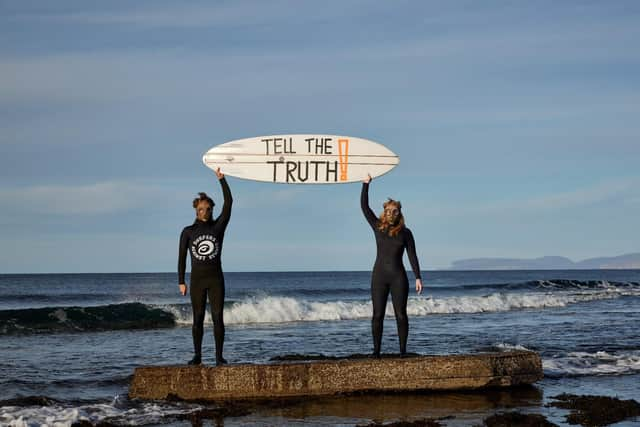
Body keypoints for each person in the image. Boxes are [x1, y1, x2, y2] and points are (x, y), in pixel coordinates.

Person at [361, 174, 423, 357]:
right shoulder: (377, 226)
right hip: (379, 277)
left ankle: (403, 352)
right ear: (384, 212)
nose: (391, 213)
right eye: (388, 210)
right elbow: (364, 207)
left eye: (395, 211)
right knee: (377, 315)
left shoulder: (406, 233)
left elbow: (412, 255)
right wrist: (366, 184)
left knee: (401, 315)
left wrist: (418, 277)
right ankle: (376, 352)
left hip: (398, 278)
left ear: (400, 213)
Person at [178, 167, 232, 366]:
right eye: (201, 209)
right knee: (198, 318)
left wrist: (222, 180)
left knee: (218, 317)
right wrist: (181, 281)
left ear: (212, 210)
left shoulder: (218, 227)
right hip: (197, 281)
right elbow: (182, 256)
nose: (205, 212)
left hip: (216, 279)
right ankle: (198, 356)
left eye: (208, 209)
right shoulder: (188, 232)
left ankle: (219, 357)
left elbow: (229, 203)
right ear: (195, 210)